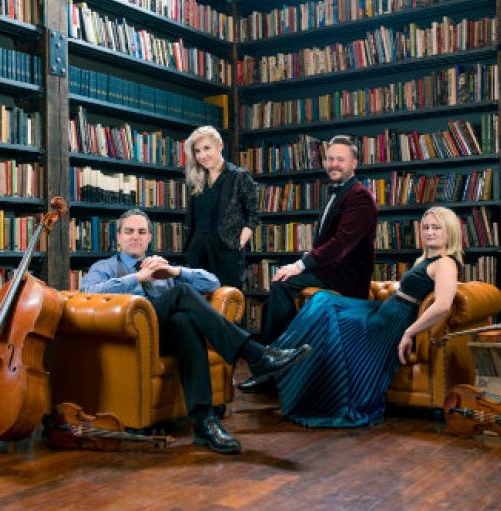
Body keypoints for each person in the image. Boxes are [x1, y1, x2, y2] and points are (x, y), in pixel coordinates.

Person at [80, 209, 309, 454]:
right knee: (181, 294)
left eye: (141, 232)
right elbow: (88, 293)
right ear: (118, 237)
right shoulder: (104, 267)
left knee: (184, 322)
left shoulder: (161, 266)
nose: (135, 237)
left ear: (149, 238)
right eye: (129, 232)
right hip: (132, 341)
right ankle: (256, 355)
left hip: (165, 337)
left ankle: (204, 423)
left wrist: (175, 272)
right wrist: (138, 277)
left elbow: (212, 283)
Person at [240, 207, 463, 428]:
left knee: (325, 310)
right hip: (382, 310)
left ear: (449, 232)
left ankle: (271, 364)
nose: (430, 232)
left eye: (436, 227)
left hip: (390, 324)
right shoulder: (427, 260)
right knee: (323, 302)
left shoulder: (445, 263)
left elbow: (443, 305)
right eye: (426, 227)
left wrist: (409, 332)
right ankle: (275, 359)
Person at [257, 135, 378, 346]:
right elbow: (325, 243)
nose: (334, 164)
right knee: (278, 285)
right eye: (330, 159)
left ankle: (276, 352)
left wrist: (300, 265)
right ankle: (281, 348)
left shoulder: (360, 197)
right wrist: (304, 262)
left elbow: (341, 243)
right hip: (330, 270)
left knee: (283, 284)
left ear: (354, 164)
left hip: (346, 278)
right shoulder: (335, 193)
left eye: (340, 160)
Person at [183, 126, 259, 289]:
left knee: (228, 303)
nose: (202, 155)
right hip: (198, 250)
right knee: (199, 304)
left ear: (220, 146)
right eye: (197, 151)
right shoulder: (196, 179)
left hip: (226, 251)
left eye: (207, 148)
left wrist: (239, 242)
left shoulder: (239, 176)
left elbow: (253, 216)